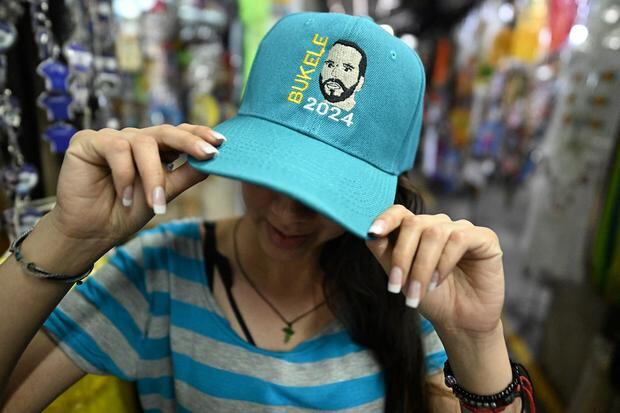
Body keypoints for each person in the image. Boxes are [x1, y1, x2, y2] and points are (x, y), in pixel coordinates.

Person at [0, 12, 533, 413]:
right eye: (272, 171)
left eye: (328, 189)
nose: (288, 210)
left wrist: (477, 341)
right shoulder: (161, 271)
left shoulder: (414, 287)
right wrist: (68, 237)